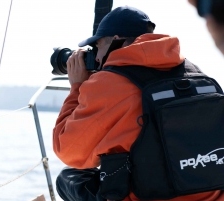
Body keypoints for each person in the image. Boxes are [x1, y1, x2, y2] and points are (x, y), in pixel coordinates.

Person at [52, 6, 224, 201]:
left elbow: (67, 150)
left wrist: (77, 87)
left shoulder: (109, 83)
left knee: (68, 177)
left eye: (98, 47)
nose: (97, 58)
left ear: (116, 40)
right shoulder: (197, 73)